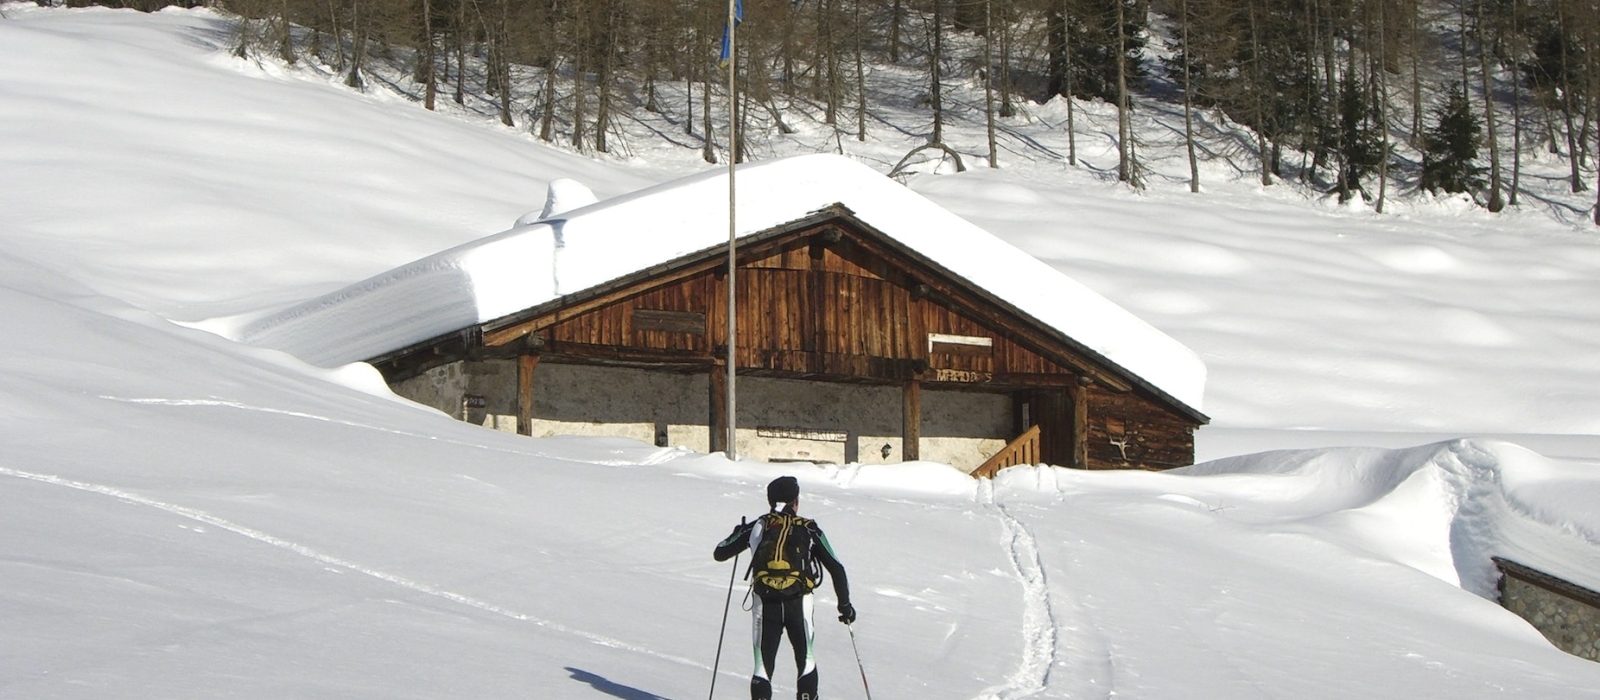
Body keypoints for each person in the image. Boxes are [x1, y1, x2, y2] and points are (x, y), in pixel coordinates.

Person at [714, 476, 854, 700]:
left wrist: (737, 533)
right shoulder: (808, 528)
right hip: (799, 602)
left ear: (770, 500)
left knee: (763, 665)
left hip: (764, 602)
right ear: (796, 501)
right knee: (805, 659)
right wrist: (845, 606)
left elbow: (720, 553)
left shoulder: (758, 525)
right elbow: (836, 568)